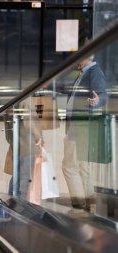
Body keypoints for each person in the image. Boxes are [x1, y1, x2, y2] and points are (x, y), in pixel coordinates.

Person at [62, 55, 107, 212]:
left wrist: (97, 101)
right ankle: (90, 204)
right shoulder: (84, 73)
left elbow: (102, 95)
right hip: (79, 125)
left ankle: (80, 205)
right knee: (83, 166)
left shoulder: (94, 72)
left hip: (80, 126)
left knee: (69, 166)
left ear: (87, 56)